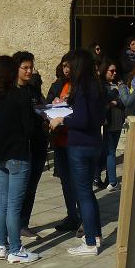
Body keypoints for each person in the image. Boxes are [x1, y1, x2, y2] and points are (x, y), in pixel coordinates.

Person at [0, 55, 40, 263]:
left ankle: (2, 246)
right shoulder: (19, 95)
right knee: (14, 206)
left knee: (2, 203)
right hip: (17, 154)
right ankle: (15, 249)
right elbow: (29, 129)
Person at [49, 49, 103, 256]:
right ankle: (95, 234)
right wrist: (65, 104)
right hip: (93, 143)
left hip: (79, 145)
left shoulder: (82, 87)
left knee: (84, 195)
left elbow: (81, 119)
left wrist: (61, 119)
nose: (67, 69)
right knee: (88, 194)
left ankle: (90, 243)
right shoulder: (95, 85)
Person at [14, 51, 47, 240]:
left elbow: (40, 106)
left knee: (31, 187)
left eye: (31, 67)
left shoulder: (32, 89)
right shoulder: (12, 92)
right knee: (17, 190)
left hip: (37, 143)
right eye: (25, 68)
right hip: (21, 147)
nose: (29, 71)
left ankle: (23, 223)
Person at [46, 55, 79, 231]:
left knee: (78, 181)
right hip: (60, 140)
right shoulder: (58, 84)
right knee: (65, 181)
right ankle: (72, 215)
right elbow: (48, 103)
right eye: (64, 66)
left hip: (75, 139)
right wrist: (52, 104)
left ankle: (82, 215)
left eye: (69, 66)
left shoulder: (81, 86)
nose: (66, 69)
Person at [96, 60, 125, 190]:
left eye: (115, 71)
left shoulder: (118, 84)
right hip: (108, 120)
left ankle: (107, 178)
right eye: (111, 71)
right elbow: (104, 100)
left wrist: (116, 101)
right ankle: (112, 181)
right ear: (104, 71)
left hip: (118, 119)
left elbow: (125, 100)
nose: (114, 73)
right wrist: (113, 100)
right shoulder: (100, 85)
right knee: (110, 151)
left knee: (108, 151)